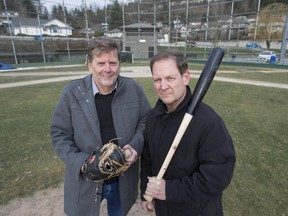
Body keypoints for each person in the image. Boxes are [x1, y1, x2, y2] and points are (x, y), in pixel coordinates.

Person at [50, 37, 151, 216]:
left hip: (123, 181)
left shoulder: (133, 88)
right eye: (101, 63)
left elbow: (146, 121)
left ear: (119, 64)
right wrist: (82, 163)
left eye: (113, 62)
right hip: (86, 182)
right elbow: (59, 134)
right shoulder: (72, 92)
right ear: (90, 65)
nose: (107, 69)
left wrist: (135, 146)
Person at [140, 51, 236, 216]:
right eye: (157, 80)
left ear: (185, 78)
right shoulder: (153, 118)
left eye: (170, 78)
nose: (163, 86)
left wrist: (169, 190)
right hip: (163, 208)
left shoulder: (208, 122)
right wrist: (146, 193)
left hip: (197, 210)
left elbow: (218, 176)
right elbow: (148, 161)